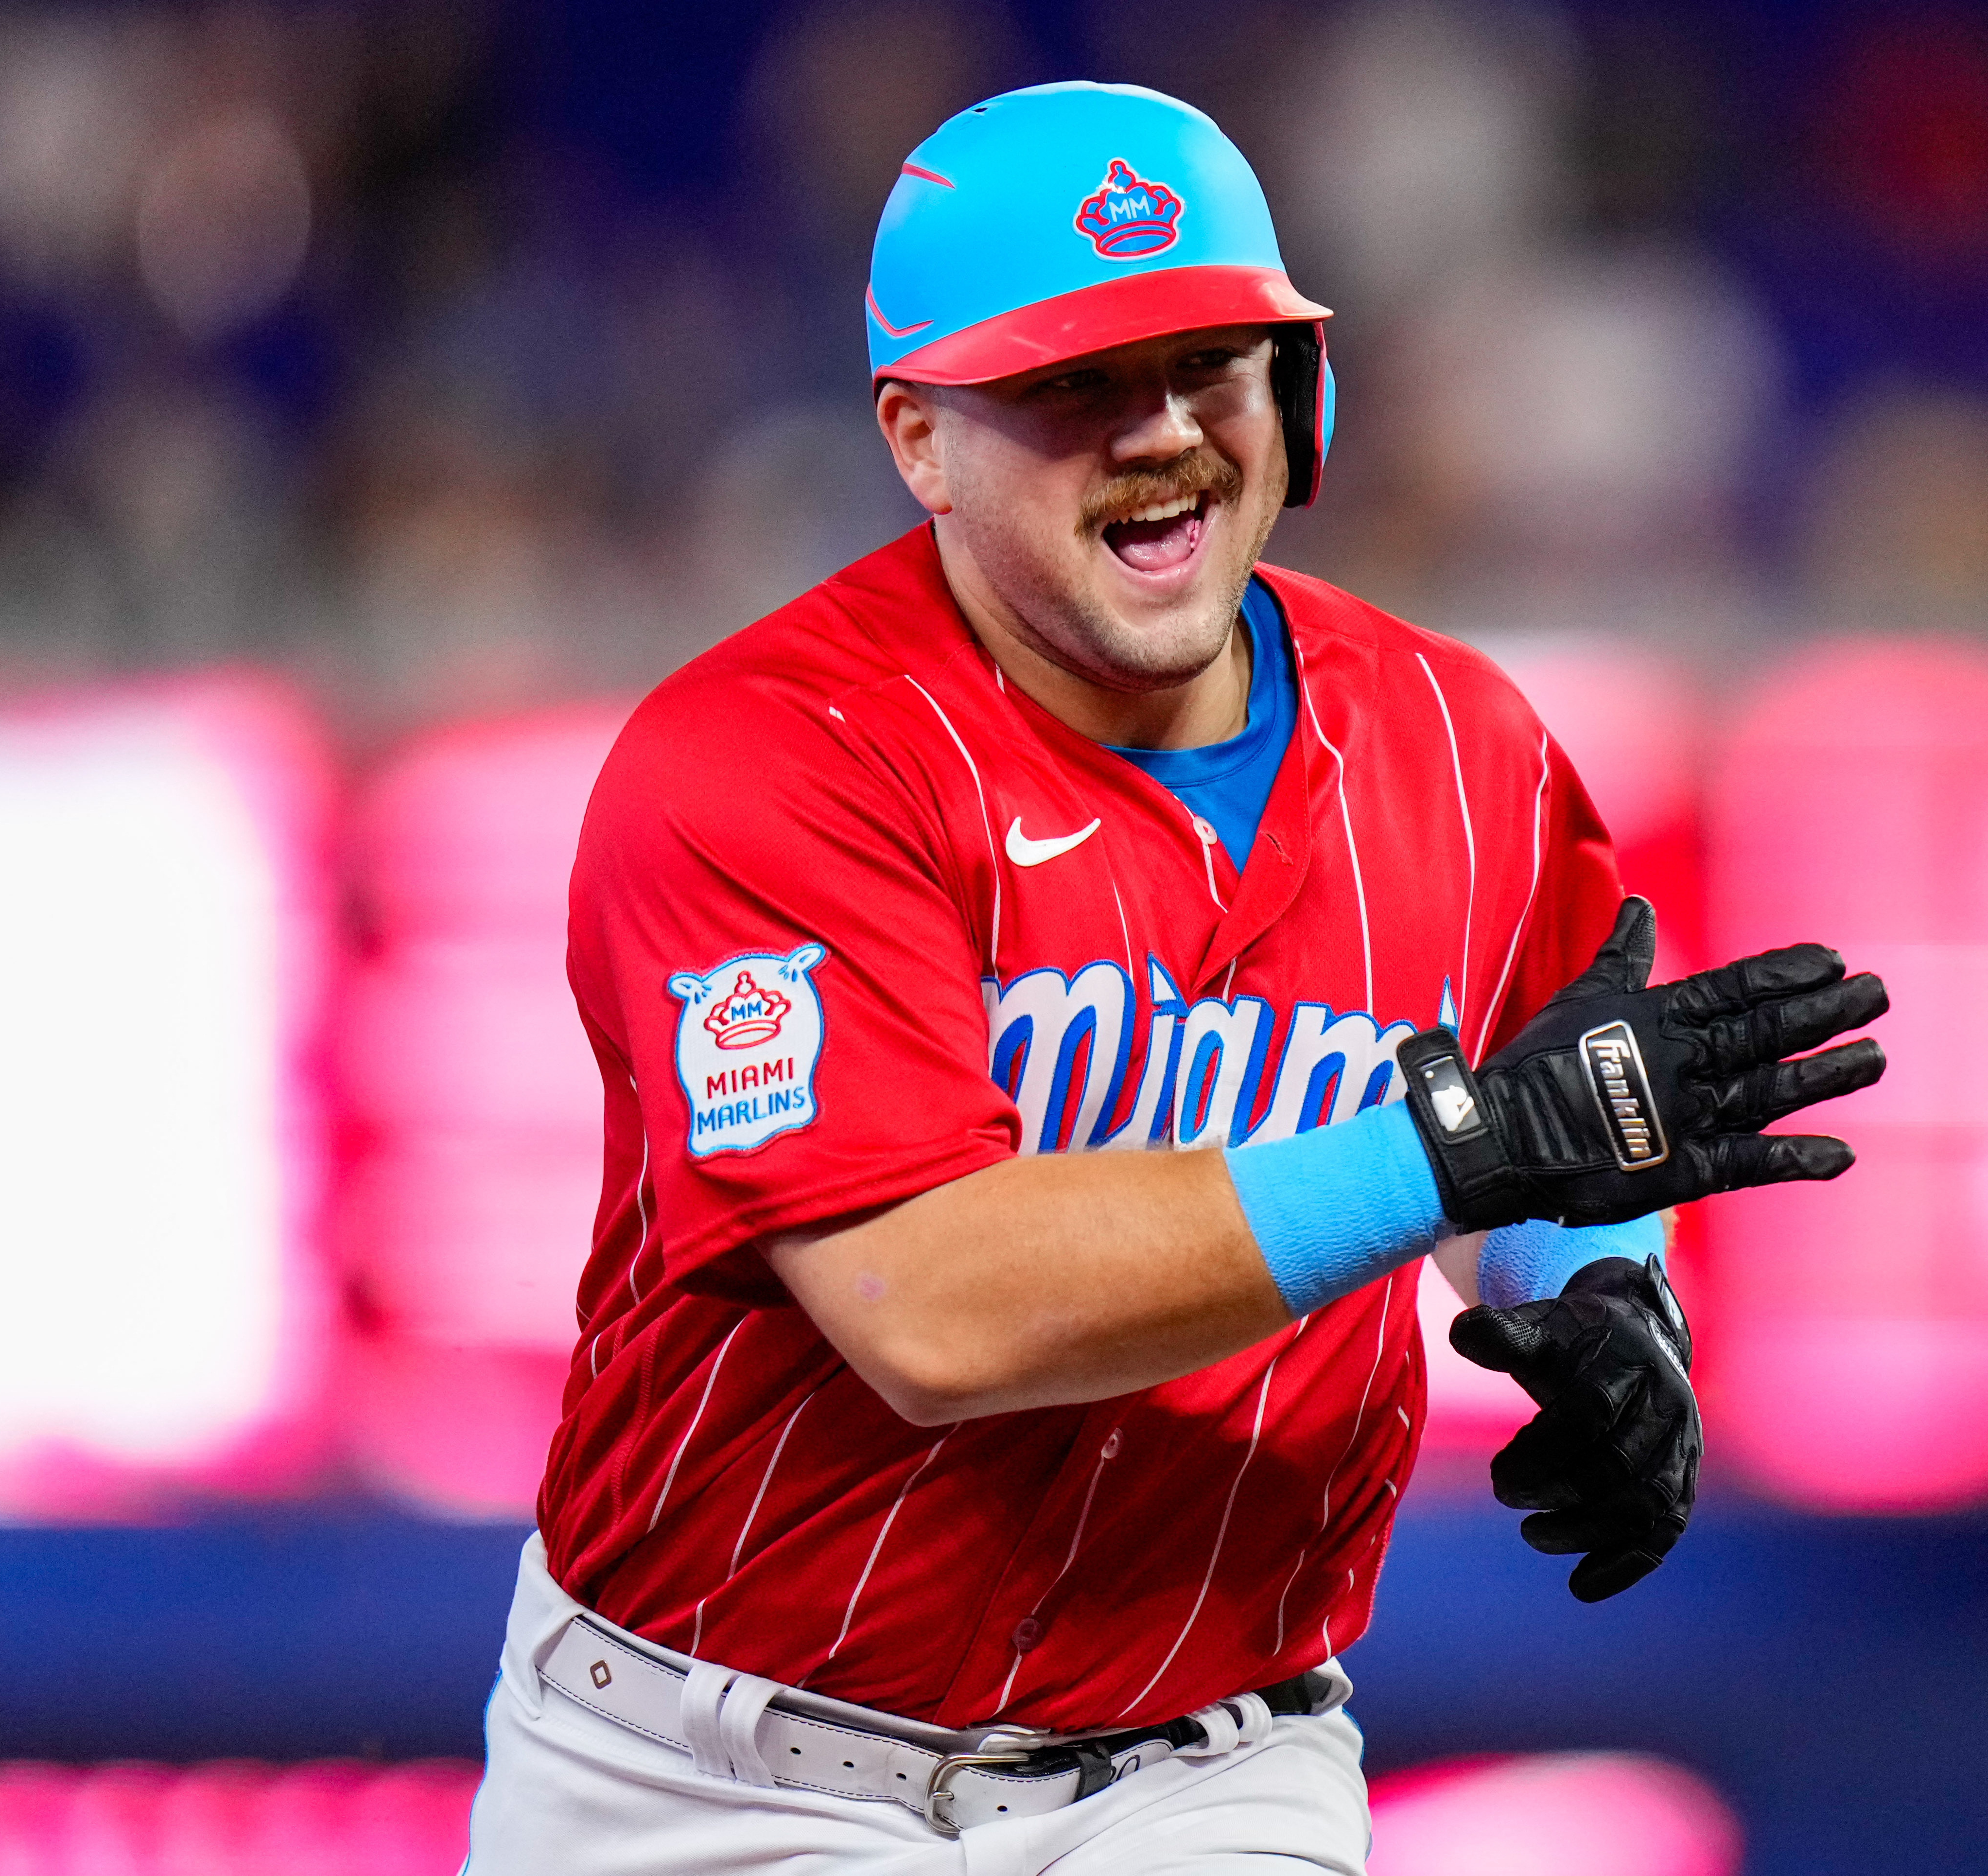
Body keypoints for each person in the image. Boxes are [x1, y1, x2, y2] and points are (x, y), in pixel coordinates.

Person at [464, 81, 1885, 1874]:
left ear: (1302, 396)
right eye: (1075, 383)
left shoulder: (1464, 744)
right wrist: (1452, 1160)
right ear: (918, 438)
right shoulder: (769, 761)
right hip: (707, 1778)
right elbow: (934, 1307)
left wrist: (1608, 1303)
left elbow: (1555, 1114)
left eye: (1211, 363)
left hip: (1208, 1769)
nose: (1162, 434)